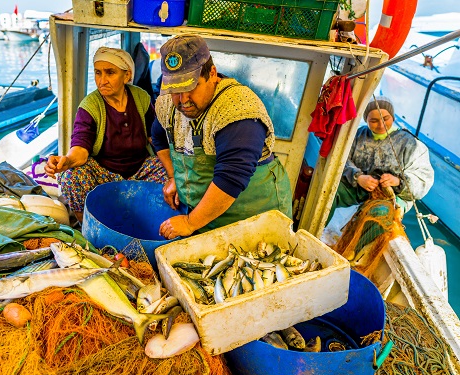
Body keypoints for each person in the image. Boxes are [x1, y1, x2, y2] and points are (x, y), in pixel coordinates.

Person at [151, 34, 293, 240]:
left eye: (191, 86)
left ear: (212, 74)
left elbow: (231, 177)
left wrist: (190, 222)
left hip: (255, 218)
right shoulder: (167, 104)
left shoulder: (237, 109)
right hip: (205, 217)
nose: (183, 100)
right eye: (175, 89)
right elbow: (158, 136)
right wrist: (174, 176)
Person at [44, 47, 167, 221]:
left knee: (173, 169)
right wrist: (67, 161)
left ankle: (150, 221)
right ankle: (87, 227)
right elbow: (80, 148)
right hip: (104, 174)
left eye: (110, 73)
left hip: (140, 170)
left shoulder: (141, 97)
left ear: (127, 76)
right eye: (98, 73)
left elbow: (154, 138)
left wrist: (174, 168)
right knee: (72, 176)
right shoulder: (90, 107)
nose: (102, 80)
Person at [327, 96, 434, 223]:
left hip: (393, 195)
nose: (381, 125)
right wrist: (358, 177)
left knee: (380, 214)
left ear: (393, 117)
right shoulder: (357, 135)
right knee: (328, 192)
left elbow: (423, 178)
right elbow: (342, 159)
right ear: (365, 120)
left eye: (385, 118)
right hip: (359, 187)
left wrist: (397, 181)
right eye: (373, 120)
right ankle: (311, 234)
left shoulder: (410, 143)